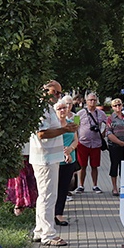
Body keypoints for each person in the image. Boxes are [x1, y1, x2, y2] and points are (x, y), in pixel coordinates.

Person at [30, 82, 78, 246]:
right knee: (48, 197)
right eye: (55, 92)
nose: (58, 95)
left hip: (50, 157)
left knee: (45, 196)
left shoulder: (48, 107)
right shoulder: (42, 109)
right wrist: (65, 130)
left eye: (60, 92)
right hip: (45, 158)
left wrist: (66, 128)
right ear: (45, 91)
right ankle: (48, 235)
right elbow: (42, 133)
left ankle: (40, 230)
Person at [53, 96, 79, 227]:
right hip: (56, 160)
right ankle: (50, 213)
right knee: (53, 188)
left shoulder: (71, 123)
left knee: (64, 188)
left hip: (70, 160)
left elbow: (76, 139)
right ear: (55, 111)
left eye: (64, 107)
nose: (63, 110)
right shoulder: (53, 126)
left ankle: (59, 213)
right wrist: (62, 151)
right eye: (59, 108)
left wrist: (70, 149)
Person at [75, 92, 108, 194]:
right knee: (82, 165)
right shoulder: (79, 114)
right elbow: (74, 127)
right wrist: (76, 140)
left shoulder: (101, 114)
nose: (92, 102)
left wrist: (103, 134)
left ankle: (95, 185)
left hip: (96, 143)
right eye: (90, 100)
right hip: (83, 143)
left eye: (94, 100)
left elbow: (107, 124)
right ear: (86, 101)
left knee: (95, 165)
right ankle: (81, 185)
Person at [105, 98, 124, 196]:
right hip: (115, 145)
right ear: (112, 107)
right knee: (114, 165)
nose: (118, 107)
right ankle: (114, 187)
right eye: (115, 106)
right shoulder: (110, 118)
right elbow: (109, 133)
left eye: (119, 105)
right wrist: (119, 142)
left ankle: (123, 186)